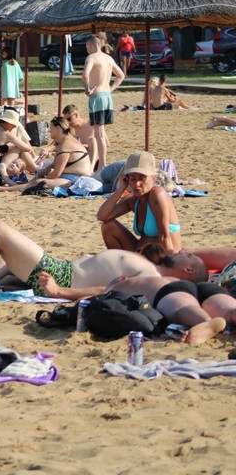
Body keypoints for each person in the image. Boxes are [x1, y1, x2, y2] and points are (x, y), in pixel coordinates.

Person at [0, 220, 205, 302]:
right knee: (8, 253)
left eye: (189, 256)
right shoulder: (152, 266)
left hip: (60, 277)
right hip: (60, 271)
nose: (184, 250)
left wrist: (62, 292)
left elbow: (108, 291)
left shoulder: (155, 280)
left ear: (188, 269)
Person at [95, 150, 236, 270]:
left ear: (154, 178)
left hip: (164, 256)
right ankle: (123, 268)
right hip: (140, 255)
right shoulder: (133, 199)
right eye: (132, 179)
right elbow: (102, 216)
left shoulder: (157, 194)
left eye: (142, 178)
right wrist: (121, 189)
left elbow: (164, 236)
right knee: (108, 226)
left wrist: (170, 268)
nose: (137, 184)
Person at [93, 275, 231, 346]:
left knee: (186, 309)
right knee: (231, 310)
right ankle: (220, 319)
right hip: (208, 287)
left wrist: (107, 288)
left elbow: (90, 294)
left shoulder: (113, 289)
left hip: (171, 290)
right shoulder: (152, 274)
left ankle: (206, 322)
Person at [1, 116, 93, 192]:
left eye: (51, 128)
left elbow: (56, 174)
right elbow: (56, 162)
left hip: (76, 180)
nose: (49, 131)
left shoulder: (66, 144)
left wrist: (43, 180)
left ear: (58, 128)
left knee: (38, 183)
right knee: (40, 176)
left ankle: (1, 189)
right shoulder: (66, 141)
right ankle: (21, 186)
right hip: (73, 177)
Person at [83, 35, 124, 168]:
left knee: (98, 133)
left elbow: (85, 75)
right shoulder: (108, 58)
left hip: (97, 96)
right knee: (101, 131)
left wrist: (87, 89)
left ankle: (102, 164)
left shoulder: (92, 57)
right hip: (107, 95)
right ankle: (101, 162)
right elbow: (121, 75)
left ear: (90, 45)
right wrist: (111, 88)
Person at [61, 104, 100, 171]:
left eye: (69, 119)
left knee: (93, 140)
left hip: (92, 159)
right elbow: (57, 142)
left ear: (76, 115)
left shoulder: (91, 125)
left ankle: (90, 169)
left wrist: (87, 146)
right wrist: (47, 149)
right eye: (66, 120)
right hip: (76, 160)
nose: (68, 122)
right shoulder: (70, 129)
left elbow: (105, 143)